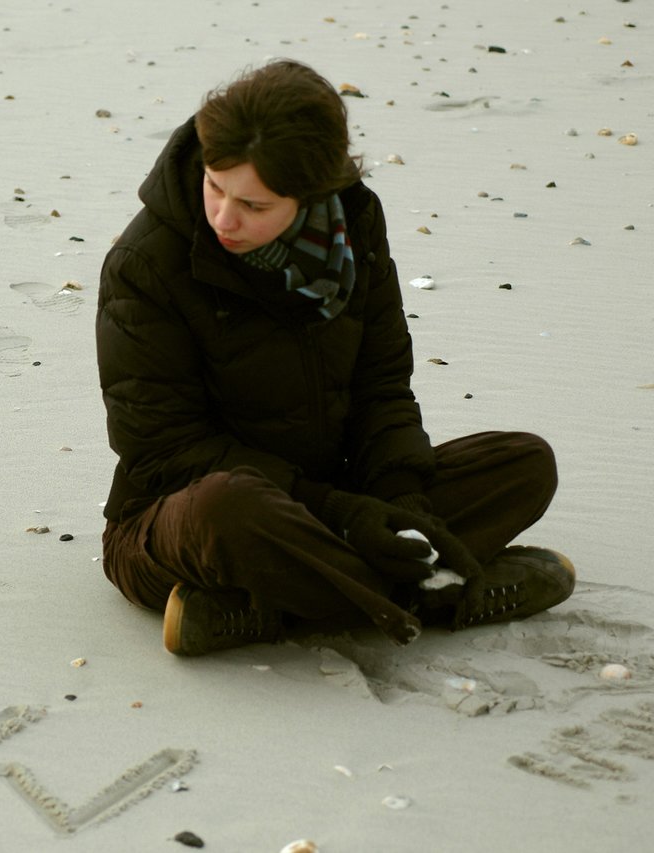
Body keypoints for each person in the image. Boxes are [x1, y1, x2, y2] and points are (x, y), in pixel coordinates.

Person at [95, 59, 574, 656]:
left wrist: (402, 501)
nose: (224, 217)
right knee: (232, 509)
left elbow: (383, 385)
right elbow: (164, 449)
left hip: (331, 494)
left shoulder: (356, 228)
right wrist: (341, 512)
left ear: (312, 193)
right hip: (185, 519)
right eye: (215, 187)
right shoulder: (146, 265)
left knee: (525, 463)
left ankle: (277, 606)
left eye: (254, 205)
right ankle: (431, 591)